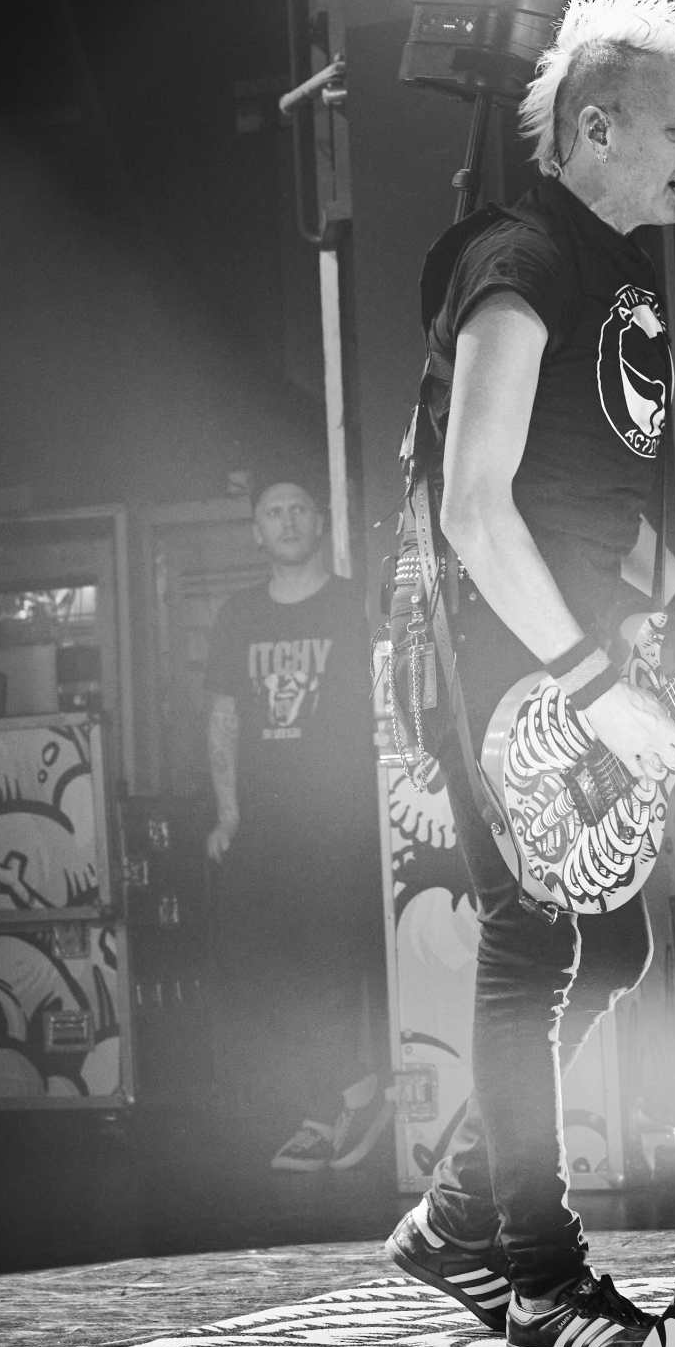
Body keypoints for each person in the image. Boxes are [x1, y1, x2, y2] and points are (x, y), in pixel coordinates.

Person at [384, 0, 675, 1347]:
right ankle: (540, 1281)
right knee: (536, 934)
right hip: (486, 644)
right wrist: (588, 681)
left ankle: (457, 1219)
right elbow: (473, 503)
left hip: (563, 643)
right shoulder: (521, 257)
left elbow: (595, 502)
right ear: (596, 125)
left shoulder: (626, 274)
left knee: (612, 941)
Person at [204, 461, 388, 1173]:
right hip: (266, 827)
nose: (287, 520)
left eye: (299, 508)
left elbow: (388, 698)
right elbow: (223, 717)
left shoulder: (352, 605)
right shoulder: (238, 614)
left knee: (335, 966)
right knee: (271, 973)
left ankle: (332, 1109)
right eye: (274, 511)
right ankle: (353, 1093)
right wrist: (228, 814)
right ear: (257, 531)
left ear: (320, 522)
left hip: (343, 820)